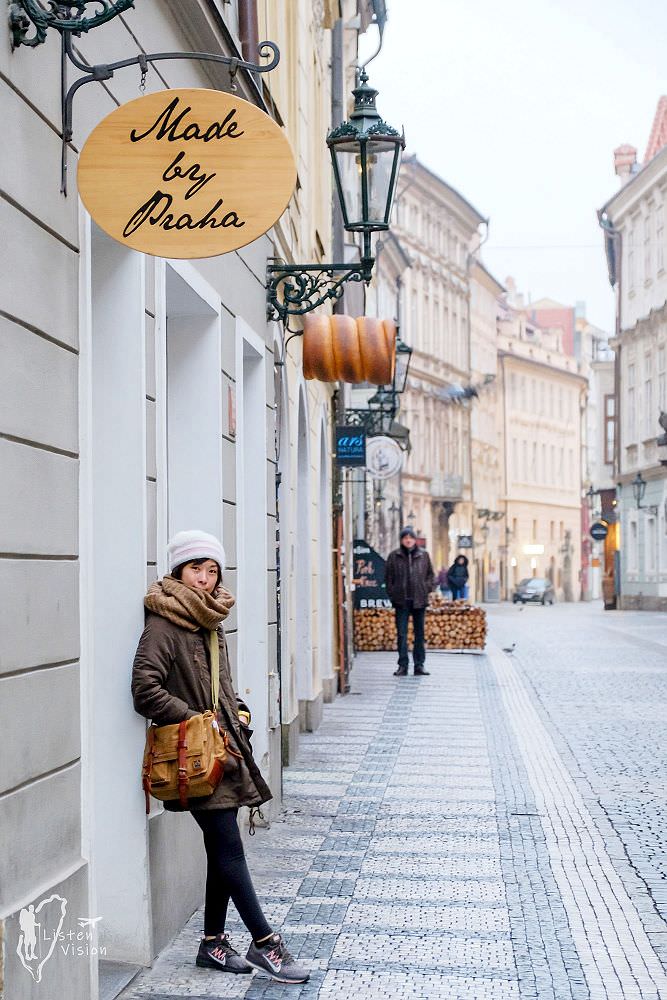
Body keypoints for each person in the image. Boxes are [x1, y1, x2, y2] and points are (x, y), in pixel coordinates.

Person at [131, 530, 309, 985]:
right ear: (177, 572)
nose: (206, 580)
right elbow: (145, 690)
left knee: (221, 849)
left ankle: (212, 943)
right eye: (196, 569)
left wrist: (238, 712)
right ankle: (265, 943)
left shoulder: (209, 620)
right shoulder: (164, 624)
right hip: (195, 758)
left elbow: (218, 686)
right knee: (229, 849)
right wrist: (197, 720)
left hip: (223, 752)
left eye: (212, 571)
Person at [384, 526, 435, 677]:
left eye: (410, 537)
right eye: (405, 538)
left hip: (419, 600)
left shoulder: (423, 555)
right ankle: (402, 665)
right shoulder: (394, 556)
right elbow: (388, 577)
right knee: (402, 634)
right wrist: (393, 593)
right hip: (401, 601)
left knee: (419, 634)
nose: (408, 540)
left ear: (414, 540)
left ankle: (419, 665)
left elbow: (431, 575)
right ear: (401, 540)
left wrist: (426, 588)